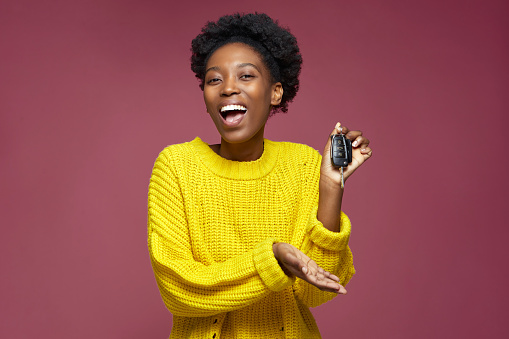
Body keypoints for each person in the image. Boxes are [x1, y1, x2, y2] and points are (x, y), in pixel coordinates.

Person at [147, 13, 372, 338]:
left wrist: (331, 187)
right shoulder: (177, 166)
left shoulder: (304, 165)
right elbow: (178, 288)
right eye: (214, 80)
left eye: (246, 76)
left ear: (275, 92)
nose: (228, 88)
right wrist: (273, 260)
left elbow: (316, 292)